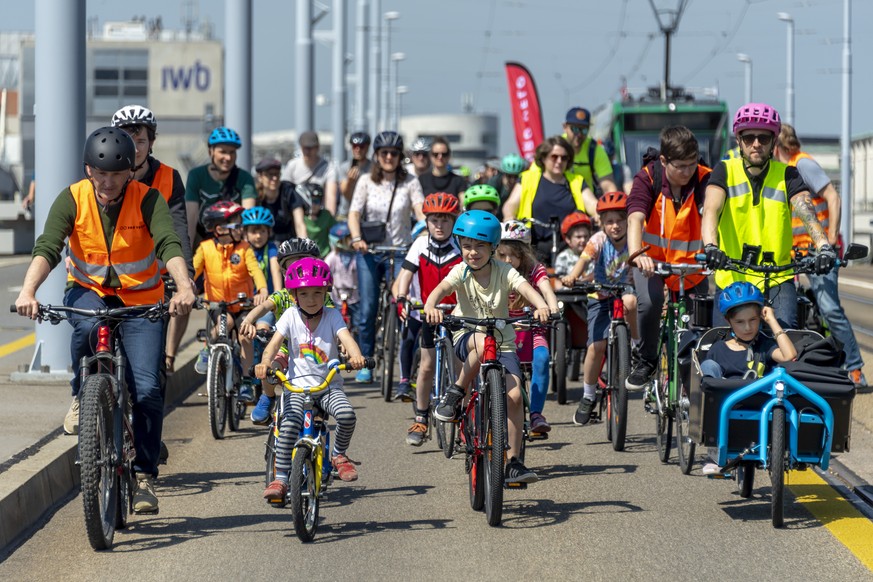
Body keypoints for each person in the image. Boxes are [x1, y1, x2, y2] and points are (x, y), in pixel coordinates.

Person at [14, 127, 196, 514]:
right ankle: (84, 394)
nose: (108, 182)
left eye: (117, 174)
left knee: (146, 389)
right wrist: (28, 291)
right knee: (86, 323)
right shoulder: (73, 198)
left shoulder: (148, 200)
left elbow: (168, 242)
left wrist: (183, 287)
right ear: (88, 170)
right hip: (88, 289)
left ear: (130, 172)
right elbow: (48, 244)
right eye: (101, 174)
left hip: (141, 298)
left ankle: (145, 474)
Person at [424, 210, 551, 484]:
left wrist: (541, 306)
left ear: (493, 247)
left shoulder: (504, 271)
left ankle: (514, 462)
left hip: (503, 343)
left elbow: (527, 289)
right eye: (467, 245)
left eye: (480, 246)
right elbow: (441, 289)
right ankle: (456, 391)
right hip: (467, 336)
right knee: (482, 343)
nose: (472, 252)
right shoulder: (460, 271)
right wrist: (430, 306)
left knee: (515, 396)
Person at [701, 103, 834, 329]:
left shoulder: (788, 174)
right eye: (749, 137)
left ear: (774, 142)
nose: (756, 144)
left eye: (763, 138)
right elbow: (711, 210)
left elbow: (805, 209)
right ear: (738, 141)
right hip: (734, 278)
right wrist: (711, 247)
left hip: (777, 279)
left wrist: (823, 245)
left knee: (787, 341)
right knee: (723, 350)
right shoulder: (725, 170)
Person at [256, 257, 367, 498]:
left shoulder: (332, 316)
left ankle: (338, 454)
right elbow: (274, 345)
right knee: (288, 427)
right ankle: (281, 479)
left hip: (328, 387)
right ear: (294, 295)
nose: (312, 299)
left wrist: (357, 357)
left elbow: (346, 339)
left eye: (318, 293)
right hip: (296, 388)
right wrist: (265, 363)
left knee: (347, 416)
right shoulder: (289, 316)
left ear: (326, 292)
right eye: (304, 294)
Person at [774, 123, 867, 387]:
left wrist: (830, 240)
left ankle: (855, 368)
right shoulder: (783, 169)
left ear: (777, 145)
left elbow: (833, 198)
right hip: (795, 251)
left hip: (818, 251)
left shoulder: (802, 165)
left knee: (829, 308)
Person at [110, 105, 194, 376]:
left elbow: (178, 230)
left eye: (140, 141)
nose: (133, 148)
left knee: (150, 365)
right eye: (126, 139)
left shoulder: (169, 177)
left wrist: (186, 277)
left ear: (152, 143)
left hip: (155, 279)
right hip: (110, 277)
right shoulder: (104, 175)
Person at [626, 126, 712, 390]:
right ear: (663, 161)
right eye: (681, 166)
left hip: (692, 266)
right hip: (651, 262)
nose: (688, 172)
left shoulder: (705, 178)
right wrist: (636, 254)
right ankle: (647, 359)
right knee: (650, 304)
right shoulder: (647, 178)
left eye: (692, 164)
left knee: (701, 324)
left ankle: (699, 378)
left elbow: (712, 214)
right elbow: (635, 218)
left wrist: (714, 251)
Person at [347, 131, 425, 383]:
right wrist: (357, 238)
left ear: (400, 156)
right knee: (368, 307)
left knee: (404, 304)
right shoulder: (367, 181)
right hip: (370, 251)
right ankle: (367, 360)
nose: (389, 157)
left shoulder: (410, 181)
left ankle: (405, 364)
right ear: (377, 156)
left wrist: (425, 229)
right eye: (384, 153)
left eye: (393, 153)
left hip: (401, 250)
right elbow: (354, 213)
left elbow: (420, 210)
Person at [699, 282, 797, 475]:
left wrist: (772, 322)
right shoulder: (719, 349)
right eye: (740, 322)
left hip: (761, 408)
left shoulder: (764, 346)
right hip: (729, 410)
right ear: (729, 321)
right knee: (708, 368)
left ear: (760, 317)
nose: (747, 327)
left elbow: (789, 356)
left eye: (753, 320)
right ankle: (718, 452)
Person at [560, 192, 640, 425]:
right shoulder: (597, 240)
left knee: (631, 302)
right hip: (600, 294)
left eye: (620, 220)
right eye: (609, 221)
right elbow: (584, 260)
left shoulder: (635, 238)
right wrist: (573, 276)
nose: (615, 226)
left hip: (626, 290)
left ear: (628, 220)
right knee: (596, 347)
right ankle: (587, 395)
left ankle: (635, 344)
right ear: (601, 223)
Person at [395, 193, 463, 444]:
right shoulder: (420, 244)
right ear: (426, 221)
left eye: (446, 220)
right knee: (425, 366)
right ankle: (421, 418)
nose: (440, 225)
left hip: (456, 312)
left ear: (454, 221)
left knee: (459, 367)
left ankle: (462, 416)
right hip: (428, 311)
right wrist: (402, 296)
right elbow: (406, 273)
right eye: (435, 219)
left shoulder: (460, 245)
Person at [240, 237, 322, 424]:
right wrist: (250, 319)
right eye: (295, 265)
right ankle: (267, 398)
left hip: (315, 351)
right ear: (285, 271)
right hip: (285, 349)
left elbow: (335, 321)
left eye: (305, 262)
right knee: (268, 369)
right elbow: (264, 307)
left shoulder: (321, 295)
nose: (301, 270)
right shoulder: (282, 295)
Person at [192, 201, 268, 402]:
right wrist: (186, 286)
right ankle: (208, 350)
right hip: (219, 304)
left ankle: (245, 382)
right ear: (220, 229)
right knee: (226, 324)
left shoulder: (244, 249)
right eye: (236, 224)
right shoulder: (205, 248)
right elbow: (194, 270)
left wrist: (262, 289)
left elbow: (255, 270)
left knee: (245, 334)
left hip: (243, 304)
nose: (241, 228)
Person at [496, 220, 560, 434]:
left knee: (541, 360)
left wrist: (552, 309)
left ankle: (535, 414)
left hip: (532, 326)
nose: (506, 260)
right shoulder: (493, 270)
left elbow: (547, 290)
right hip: (501, 329)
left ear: (523, 253)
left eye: (512, 255)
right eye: (501, 254)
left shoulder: (535, 269)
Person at [502, 135, 599, 264]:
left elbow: (592, 203)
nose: (559, 161)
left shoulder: (577, 181)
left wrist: (598, 214)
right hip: (534, 245)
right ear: (543, 158)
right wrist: (509, 216)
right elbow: (511, 203)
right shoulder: (527, 178)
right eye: (554, 157)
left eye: (564, 158)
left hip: (569, 247)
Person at [185, 127, 257, 245]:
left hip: (234, 239)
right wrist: (186, 256)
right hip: (204, 237)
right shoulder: (196, 175)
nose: (228, 158)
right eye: (223, 152)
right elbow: (190, 219)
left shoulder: (245, 178)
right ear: (210, 152)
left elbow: (247, 220)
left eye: (232, 152)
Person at [281, 131, 339, 216]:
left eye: (310, 148)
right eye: (305, 148)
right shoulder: (292, 166)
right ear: (301, 147)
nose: (307, 152)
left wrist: (328, 220)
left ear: (317, 147)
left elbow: (330, 197)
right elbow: (284, 191)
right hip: (296, 213)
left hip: (318, 216)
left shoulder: (328, 168)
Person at [562, 107, 618, 195]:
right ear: (565, 127)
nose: (579, 134)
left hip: (586, 200)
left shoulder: (594, 149)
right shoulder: (555, 148)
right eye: (575, 129)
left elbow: (608, 186)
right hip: (560, 200)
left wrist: (613, 205)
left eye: (584, 130)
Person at [254, 157, 306, 243]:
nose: (274, 178)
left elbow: (300, 223)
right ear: (260, 177)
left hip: (289, 242)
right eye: (270, 175)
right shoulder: (256, 197)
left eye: (277, 174)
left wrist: (304, 246)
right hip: (264, 243)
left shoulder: (288, 192)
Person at [324, 222, 360, 329]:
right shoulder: (332, 258)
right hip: (337, 297)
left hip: (355, 297)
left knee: (358, 325)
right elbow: (324, 271)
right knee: (336, 325)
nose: (352, 241)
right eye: (349, 238)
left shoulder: (356, 257)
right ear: (339, 241)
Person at [242, 207, 283, 295]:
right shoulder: (242, 249)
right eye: (253, 232)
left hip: (268, 298)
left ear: (269, 232)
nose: (258, 236)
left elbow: (276, 270)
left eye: (263, 231)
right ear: (245, 233)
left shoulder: (271, 248)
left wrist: (278, 295)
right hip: (246, 299)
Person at [553, 210, 594, 287]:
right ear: (568, 239)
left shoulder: (595, 255)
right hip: (569, 296)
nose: (583, 240)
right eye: (578, 237)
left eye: (585, 236)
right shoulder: (563, 257)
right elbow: (558, 284)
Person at [296, 182, 336, 257]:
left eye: (316, 201)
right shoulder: (299, 217)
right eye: (309, 200)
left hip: (325, 256)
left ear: (321, 202)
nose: (312, 204)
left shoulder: (326, 215)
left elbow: (336, 231)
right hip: (306, 256)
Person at [338, 132, 372, 218]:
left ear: (367, 147)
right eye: (355, 146)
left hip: (367, 215)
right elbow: (346, 195)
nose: (358, 149)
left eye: (361, 147)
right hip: (346, 214)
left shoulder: (374, 168)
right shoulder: (344, 167)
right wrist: (350, 182)